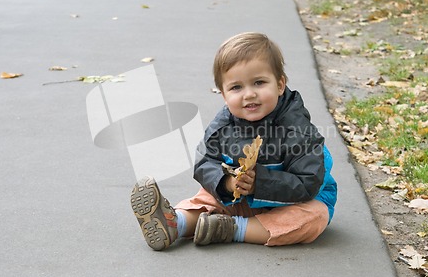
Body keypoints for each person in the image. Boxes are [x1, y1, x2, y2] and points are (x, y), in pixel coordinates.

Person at [130, 32, 337, 251]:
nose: (249, 94)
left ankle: (233, 229)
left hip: (292, 203)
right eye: (236, 87)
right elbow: (205, 162)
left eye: (259, 83)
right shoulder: (223, 125)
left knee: (314, 216)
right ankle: (176, 223)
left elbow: (308, 183)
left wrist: (260, 183)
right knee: (206, 198)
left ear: (280, 85)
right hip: (238, 201)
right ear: (224, 94)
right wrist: (227, 183)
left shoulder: (298, 130)